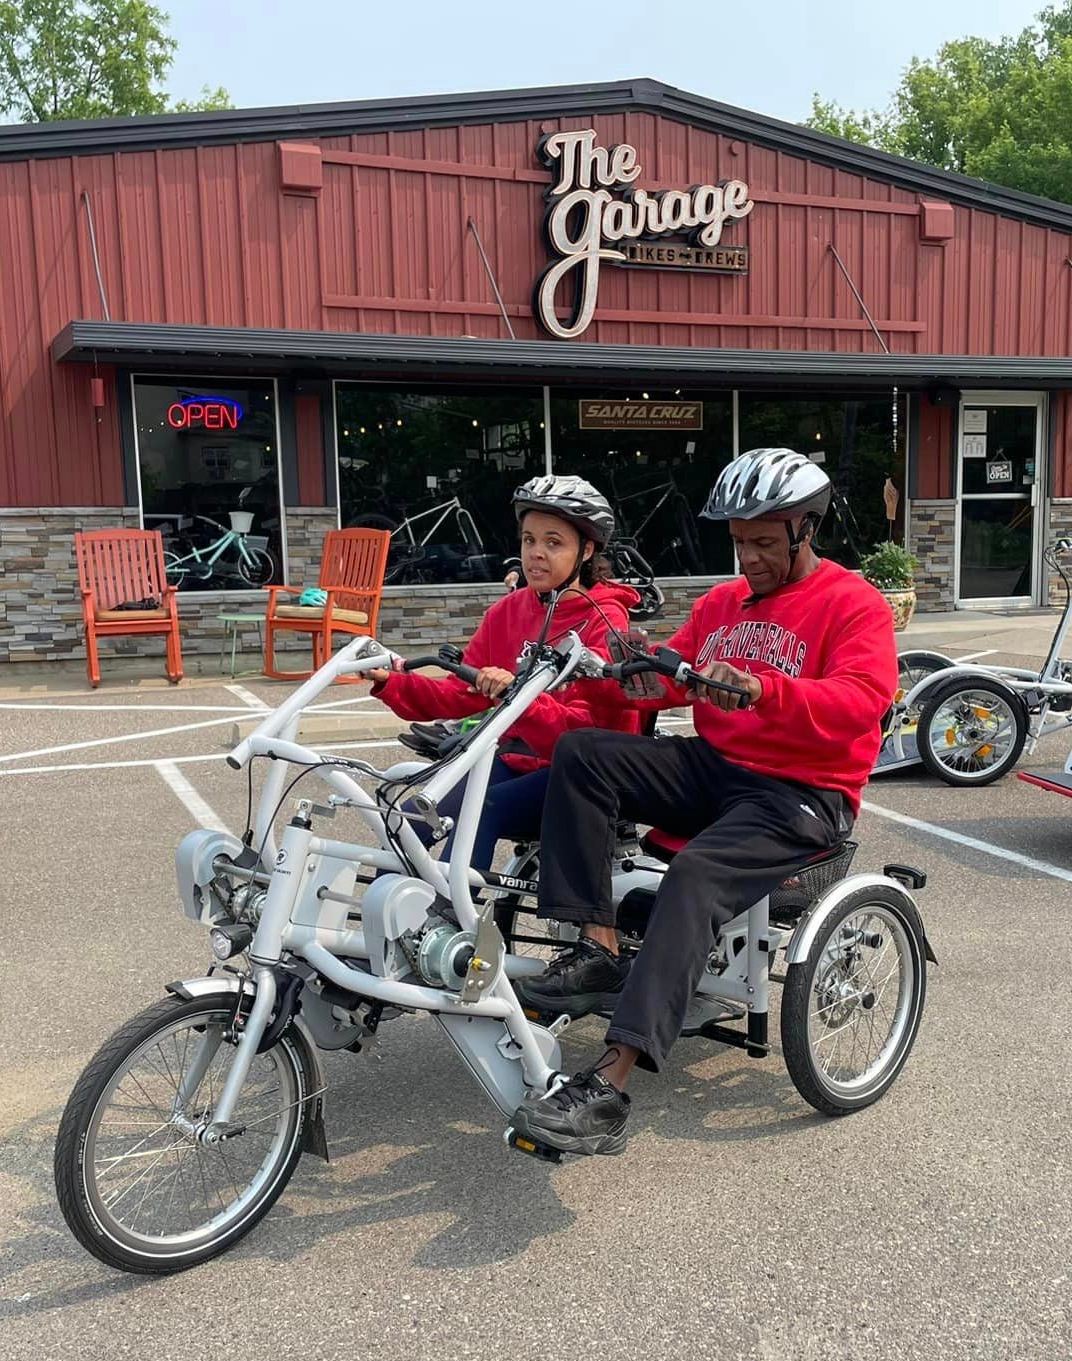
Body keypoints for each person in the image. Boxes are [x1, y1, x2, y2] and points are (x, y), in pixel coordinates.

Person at [512, 447, 900, 1156]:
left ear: (804, 529)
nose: (747, 557)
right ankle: (599, 948)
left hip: (803, 793)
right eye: (738, 541)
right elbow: (667, 675)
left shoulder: (854, 604)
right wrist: (614, 667)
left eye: (762, 541)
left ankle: (609, 1083)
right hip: (719, 767)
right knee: (586, 755)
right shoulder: (722, 604)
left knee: (693, 874)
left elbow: (862, 702)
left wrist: (760, 689)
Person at [362, 476, 640, 867]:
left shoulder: (607, 621)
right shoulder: (507, 612)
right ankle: (384, 922)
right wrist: (392, 682)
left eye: (553, 542)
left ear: (587, 549)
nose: (536, 553)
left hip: (579, 773)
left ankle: (452, 921)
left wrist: (519, 698)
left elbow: (589, 729)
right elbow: (461, 694)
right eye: (529, 540)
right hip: (515, 760)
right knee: (410, 822)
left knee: (479, 811)